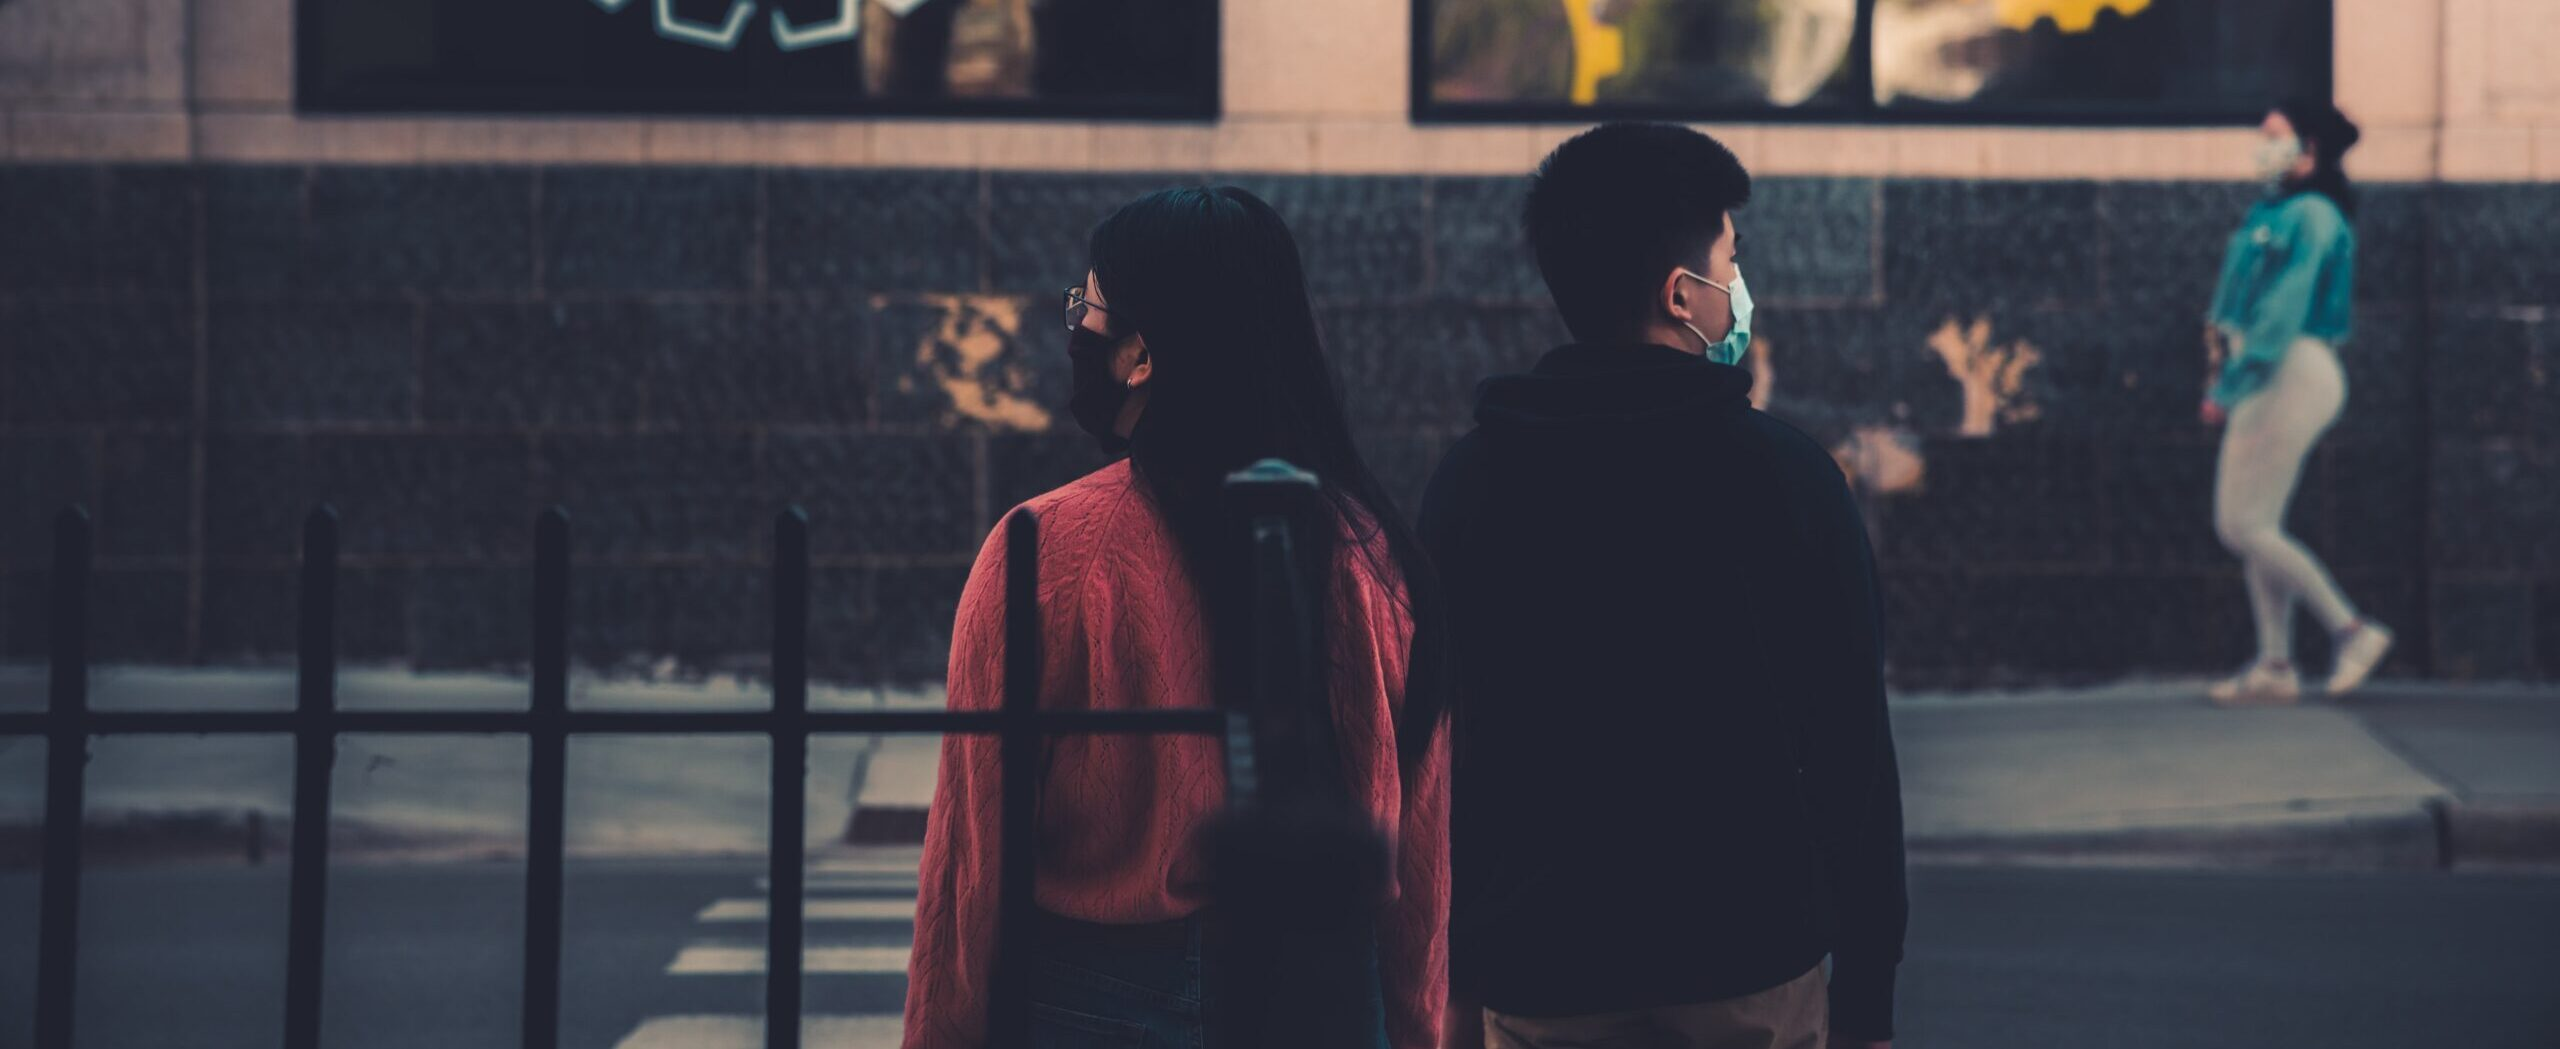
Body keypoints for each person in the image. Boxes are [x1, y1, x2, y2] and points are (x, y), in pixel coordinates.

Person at [901, 187, 1451, 1049]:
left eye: (1087, 305)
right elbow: (1417, 862)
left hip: (1098, 990)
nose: (1076, 323)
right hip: (1330, 990)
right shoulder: (1374, 558)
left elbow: (974, 862)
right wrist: (1415, 1028)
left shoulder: (1045, 552)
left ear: (1142, 353)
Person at [1422, 122, 1905, 1049]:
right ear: (1681, 295)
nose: (1741, 286)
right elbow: (1850, 747)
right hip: (1748, 964)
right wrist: (1869, 996)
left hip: (1540, 969)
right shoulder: (1789, 479)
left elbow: (1448, 751)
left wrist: (1455, 974)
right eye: (1732, 258)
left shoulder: (1472, 483)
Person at [2200, 98, 2393, 706]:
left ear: (2309, 150)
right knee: (2260, 525)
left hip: (2286, 369)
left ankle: (2352, 630)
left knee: (2240, 524)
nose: (2262, 145)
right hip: (2278, 368)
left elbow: (2280, 309)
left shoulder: (2309, 214)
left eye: (2274, 135)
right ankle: (2277, 666)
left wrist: (2230, 385)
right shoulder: (2283, 211)